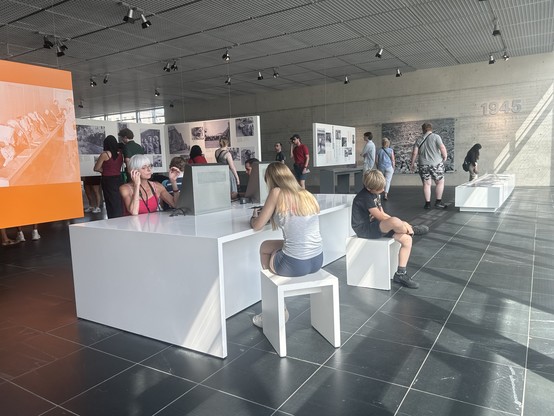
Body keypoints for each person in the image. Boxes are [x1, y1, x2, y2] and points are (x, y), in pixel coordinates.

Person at [249, 162, 323, 327]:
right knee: (278, 245)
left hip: (295, 264)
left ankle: (278, 307)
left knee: (264, 247)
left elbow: (257, 225)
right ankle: (277, 303)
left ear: (271, 179)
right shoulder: (306, 194)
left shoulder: (276, 192)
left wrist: (254, 217)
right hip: (317, 260)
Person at [352, 170, 428, 289]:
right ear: (369, 188)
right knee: (395, 221)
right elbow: (381, 217)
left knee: (407, 240)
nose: (382, 191)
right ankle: (411, 229)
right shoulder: (364, 197)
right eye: (379, 189)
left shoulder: (375, 193)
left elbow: (383, 213)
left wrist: (401, 223)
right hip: (364, 229)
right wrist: (402, 224)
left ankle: (401, 274)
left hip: (376, 226)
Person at [410, 123, 448, 209]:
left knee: (426, 184)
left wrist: (412, 163)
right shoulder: (436, 137)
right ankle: (438, 202)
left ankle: (427, 204)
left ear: (423, 129)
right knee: (440, 182)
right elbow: (442, 147)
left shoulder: (419, 139)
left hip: (423, 165)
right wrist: (445, 156)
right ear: (431, 129)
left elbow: (414, 153)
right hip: (436, 164)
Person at [94, 135, 124, 218]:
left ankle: (112, 217)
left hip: (108, 179)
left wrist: (105, 171)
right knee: (118, 199)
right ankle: (120, 216)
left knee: (110, 199)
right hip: (119, 178)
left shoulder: (105, 154)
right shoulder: (120, 153)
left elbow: (96, 168)